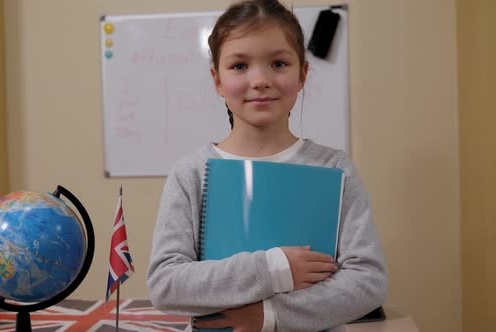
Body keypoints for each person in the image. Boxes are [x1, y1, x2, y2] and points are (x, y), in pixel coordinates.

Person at [146, 0, 387, 331]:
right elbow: (166, 284)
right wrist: (274, 267)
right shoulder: (190, 173)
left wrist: (269, 315)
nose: (260, 80)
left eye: (278, 63)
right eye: (240, 66)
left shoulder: (335, 168)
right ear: (217, 80)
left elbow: (368, 282)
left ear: (302, 74)